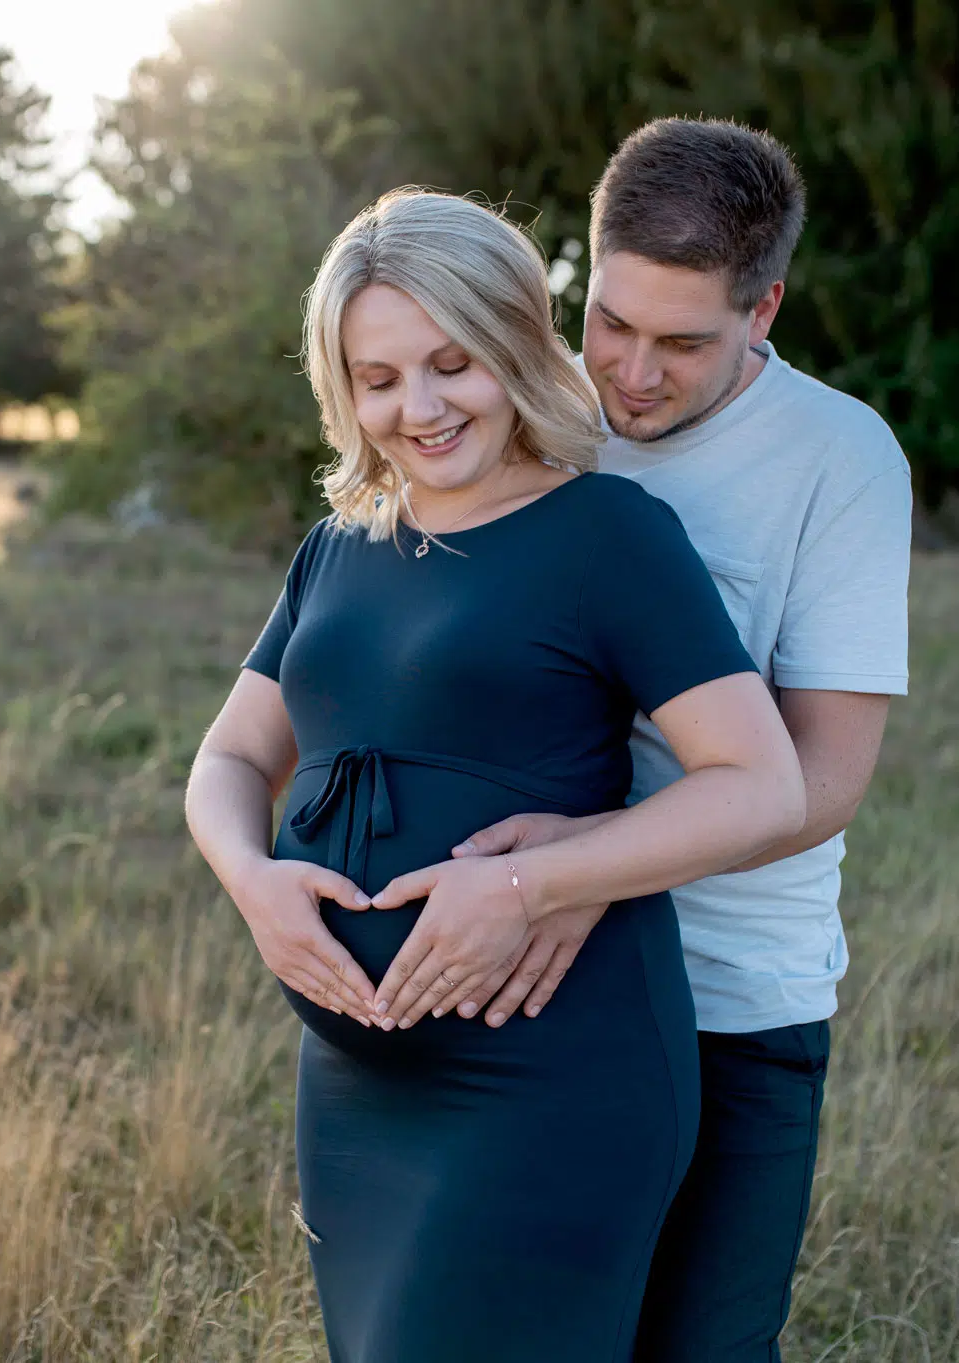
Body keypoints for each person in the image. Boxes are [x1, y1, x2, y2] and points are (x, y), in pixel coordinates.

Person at [184, 187, 807, 1363]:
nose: (416, 407)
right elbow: (227, 756)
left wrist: (537, 883)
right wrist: (251, 881)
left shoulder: (607, 533)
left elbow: (759, 782)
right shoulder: (337, 545)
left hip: (549, 1082)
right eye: (376, 379)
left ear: (515, 343)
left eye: (450, 362)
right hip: (354, 1089)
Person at [450, 118, 914, 1361]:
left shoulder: (839, 457)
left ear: (763, 308)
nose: (629, 374)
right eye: (608, 320)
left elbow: (820, 781)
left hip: (732, 996)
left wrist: (573, 863)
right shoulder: (529, 410)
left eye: (682, 342)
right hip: (522, 973)